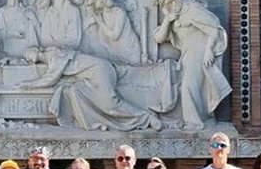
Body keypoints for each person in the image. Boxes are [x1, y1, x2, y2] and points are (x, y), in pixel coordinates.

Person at [19, 47, 161, 131]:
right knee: (75, 91)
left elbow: (50, 78)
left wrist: (29, 84)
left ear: (36, 51)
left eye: (28, 55)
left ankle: (146, 117)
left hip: (99, 70)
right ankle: (96, 122)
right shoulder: (52, 58)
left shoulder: (55, 54)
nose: (28, 59)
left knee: (110, 104)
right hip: (88, 78)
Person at [153, 0, 231, 130]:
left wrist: (209, 50)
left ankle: (195, 123)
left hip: (199, 52)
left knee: (189, 86)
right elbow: (159, 38)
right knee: (188, 86)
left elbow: (214, 30)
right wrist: (167, 20)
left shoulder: (193, 10)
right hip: (188, 54)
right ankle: (199, 119)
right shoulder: (174, 15)